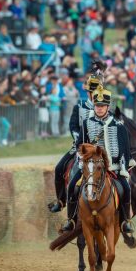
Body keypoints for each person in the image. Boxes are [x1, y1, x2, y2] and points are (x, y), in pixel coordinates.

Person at [74, 84, 136, 234]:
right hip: (91, 167)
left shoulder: (119, 125)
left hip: (113, 167)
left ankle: (126, 220)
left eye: (102, 106)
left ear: (108, 107)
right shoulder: (87, 123)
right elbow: (79, 146)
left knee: (126, 188)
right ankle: (72, 218)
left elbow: (125, 150)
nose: (99, 108)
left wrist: (122, 166)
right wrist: (82, 160)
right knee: (73, 186)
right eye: (97, 105)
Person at [48, 70, 100, 215]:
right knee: (59, 168)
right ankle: (61, 200)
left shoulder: (105, 107)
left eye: (97, 91)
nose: (94, 94)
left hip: (100, 149)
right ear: (88, 92)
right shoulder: (80, 106)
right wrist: (79, 139)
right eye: (92, 91)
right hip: (81, 146)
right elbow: (73, 126)